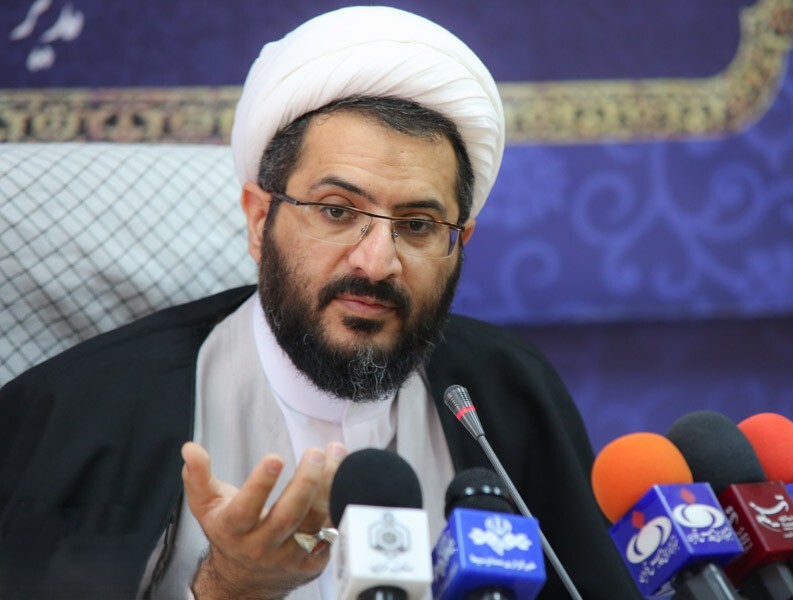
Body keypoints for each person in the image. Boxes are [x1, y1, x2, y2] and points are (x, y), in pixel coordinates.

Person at [0, 6, 639, 599]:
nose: (376, 262)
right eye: (337, 211)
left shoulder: (505, 399)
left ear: (459, 243)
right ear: (259, 220)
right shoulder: (78, 416)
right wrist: (227, 587)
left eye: (418, 225)